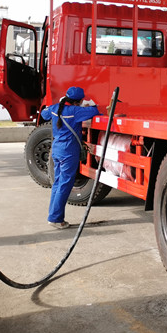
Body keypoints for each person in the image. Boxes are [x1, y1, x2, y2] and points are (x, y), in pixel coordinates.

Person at [40, 86, 102, 229]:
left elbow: (44, 114)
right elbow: (94, 111)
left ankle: (53, 216)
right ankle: (56, 219)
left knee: (57, 183)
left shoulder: (55, 108)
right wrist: (90, 104)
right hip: (68, 151)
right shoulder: (75, 111)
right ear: (78, 101)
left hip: (56, 149)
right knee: (64, 185)